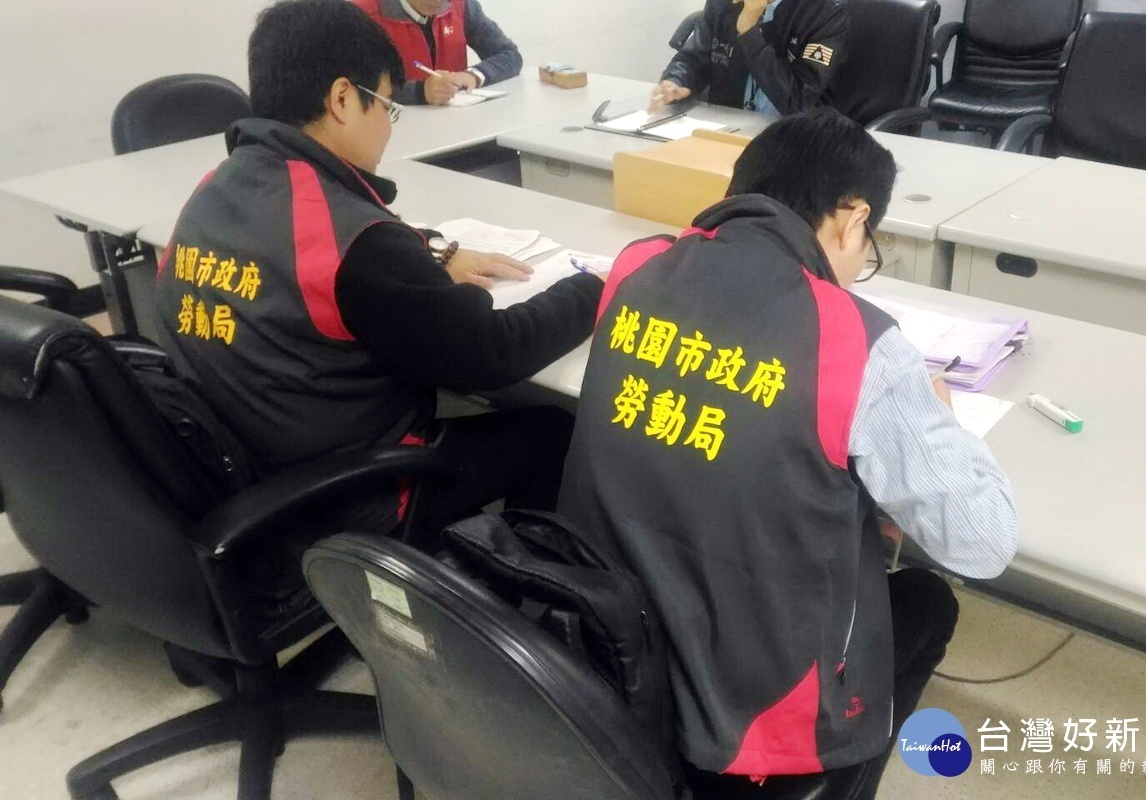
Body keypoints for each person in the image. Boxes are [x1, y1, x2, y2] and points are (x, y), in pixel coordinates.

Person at [557, 109, 1019, 799]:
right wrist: (943, 425)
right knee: (926, 599)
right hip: (750, 729)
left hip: (608, 656)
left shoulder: (636, 267)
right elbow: (984, 543)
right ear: (851, 216)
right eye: (869, 245)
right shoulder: (857, 340)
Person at [155, 0, 603, 543]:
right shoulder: (360, 245)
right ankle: (506, 589)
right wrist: (594, 287)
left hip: (237, 463)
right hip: (348, 494)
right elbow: (493, 353)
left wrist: (426, 253)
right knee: (550, 430)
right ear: (343, 98)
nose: (389, 131)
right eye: (387, 107)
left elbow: (328, 253)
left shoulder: (214, 189)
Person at [651, 0, 849, 116]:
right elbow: (693, 58)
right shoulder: (723, 4)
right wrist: (674, 81)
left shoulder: (826, 11)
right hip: (726, 126)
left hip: (794, 139)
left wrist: (749, 31)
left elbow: (797, 103)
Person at [352, 0, 522, 106]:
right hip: (394, 132)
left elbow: (509, 55)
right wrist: (420, 92)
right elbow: (354, 86)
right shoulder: (362, 14)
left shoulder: (461, 5)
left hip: (458, 127)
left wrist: (473, 75)